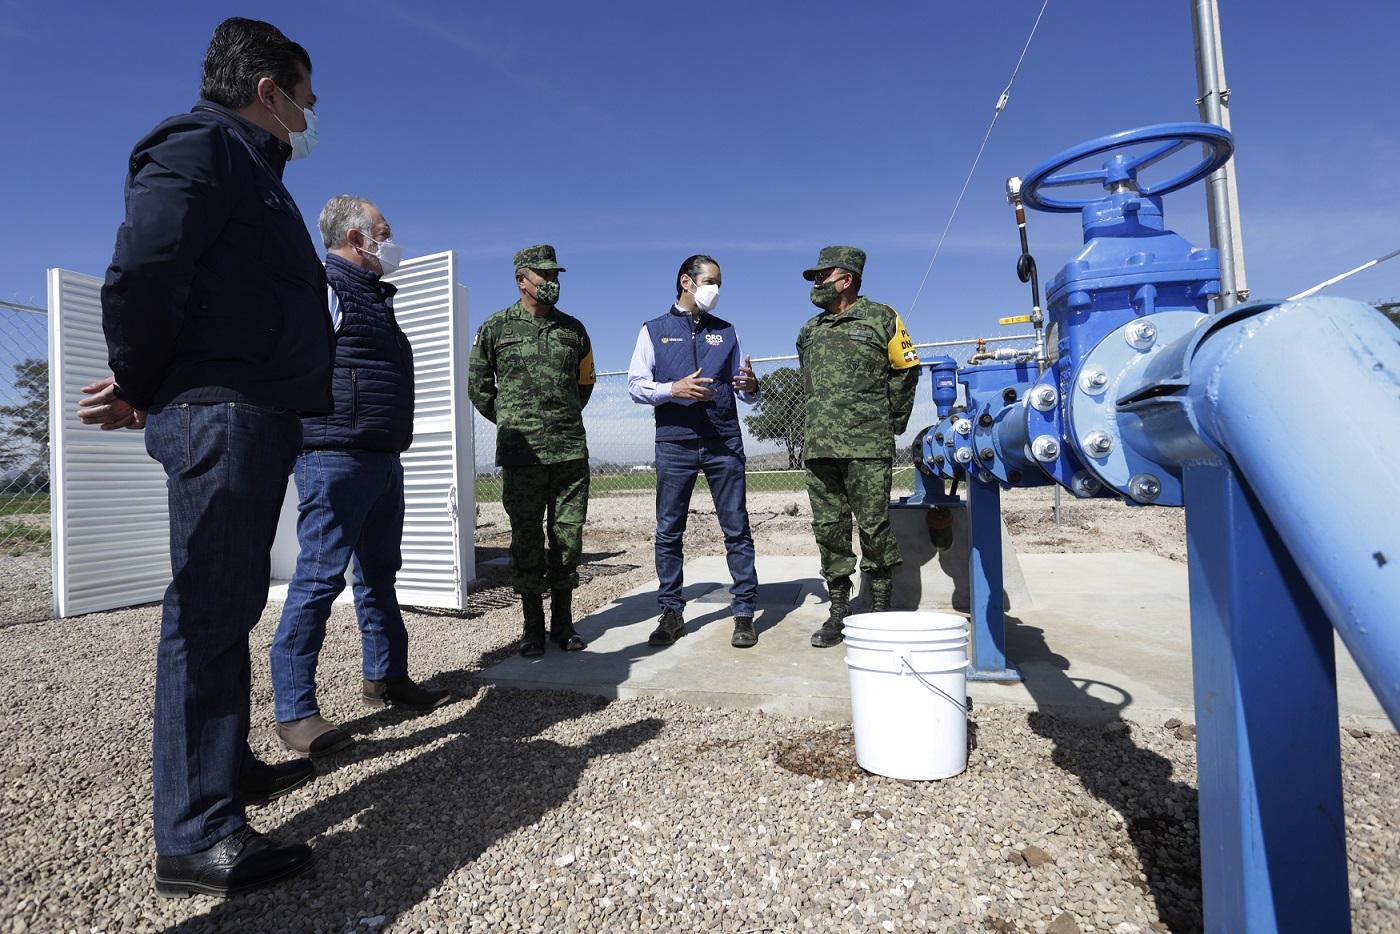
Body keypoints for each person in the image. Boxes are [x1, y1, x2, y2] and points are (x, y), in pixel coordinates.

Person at [77, 17, 330, 897]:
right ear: (267, 91)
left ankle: (221, 774)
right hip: (220, 411)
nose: (309, 109)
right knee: (207, 615)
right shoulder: (201, 146)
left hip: (252, 408)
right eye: (303, 93)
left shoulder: (249, 166)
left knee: (229, 606)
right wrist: (143, 379)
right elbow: (146, 268)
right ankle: (194, 833)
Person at [269, 196, 450, 759]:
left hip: (379, 454)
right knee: (321, 577)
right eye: (383, 231)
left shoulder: (374, 295)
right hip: (333, 453)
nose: (391, 241)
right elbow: (291, 361)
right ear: (355, 237)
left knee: (379, 573)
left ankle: (386, 677)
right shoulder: (326, 286)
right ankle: (295, 710)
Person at [628, 255, 762, 648]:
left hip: (723, 441)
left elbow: (745, 391)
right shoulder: (653, 330)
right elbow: (636, 385)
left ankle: (743, 611)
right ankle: (671, 612)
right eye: (711, 282)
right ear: (687, 282)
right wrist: (673, 390)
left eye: (720, 283)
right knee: (669, 531)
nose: (717, 291)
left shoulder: (728, 331)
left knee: (736, 529)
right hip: (675, 443)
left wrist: (752, 387)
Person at [468, 245, 595, 657]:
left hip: (569, 453)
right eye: (544, 276)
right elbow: (479, 387)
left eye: (556, 276)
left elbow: (585, 384)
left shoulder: (573, 330)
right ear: (522, 279)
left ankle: (563, 624)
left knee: (567, 538)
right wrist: (512, 421)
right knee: (525, 539)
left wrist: (561, 419)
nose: (552, 283)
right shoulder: (495, 328)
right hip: (522, 456)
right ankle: (532, 628)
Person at [796, 246, 921, 648]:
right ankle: (838, 611)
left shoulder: (882, 318)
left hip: (867, 446)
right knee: (829, 530)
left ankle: (880, 611)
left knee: (874, 527)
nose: (817, 284)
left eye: (822, 276)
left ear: (845, 279)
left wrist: (890, 423)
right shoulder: (809, 331)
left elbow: (906, 371)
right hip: (819, 448)